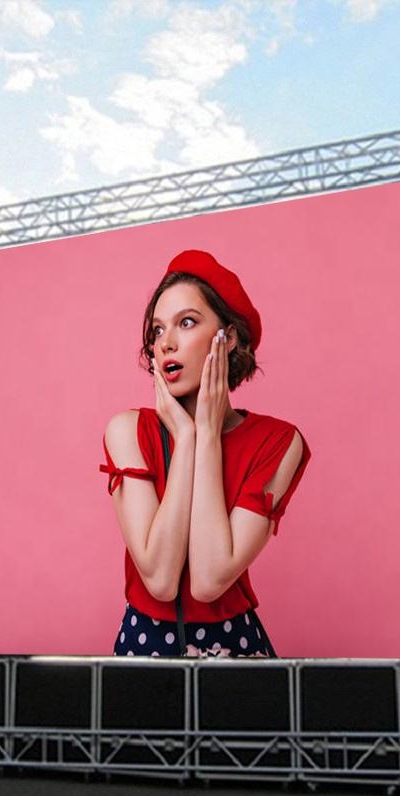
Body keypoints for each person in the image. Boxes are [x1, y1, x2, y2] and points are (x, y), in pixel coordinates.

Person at [100, 249, 311, 657]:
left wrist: (208, 435)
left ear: (228, 337)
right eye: (157, 331)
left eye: (187, 322)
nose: (167, 344)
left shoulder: (279, 441)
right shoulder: (127, 431)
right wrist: (186, 437)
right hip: (145, 648)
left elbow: (210, 578)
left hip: (236, 647)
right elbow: (159, 580)